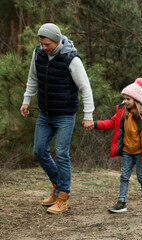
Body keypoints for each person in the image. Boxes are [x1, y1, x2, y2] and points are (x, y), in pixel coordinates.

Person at [19, 23, 95, 214]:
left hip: (65, 115)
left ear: (57, 40)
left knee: (61, 153)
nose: (44, 47)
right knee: (39, 151)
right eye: (42, 43)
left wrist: (88, 115)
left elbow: (85, 88)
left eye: (47, 44)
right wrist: (26, 101)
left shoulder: (71, 58)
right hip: (45, 113)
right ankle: (57, 185)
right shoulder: (38, 54)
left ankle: (63, 197)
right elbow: (32, 78)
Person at [92, 78, 142, 213]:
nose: (125, 101)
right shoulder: (122, 112)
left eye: (128, 99)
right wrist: (94, 124)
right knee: (124, 176)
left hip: (141, 152)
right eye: (124, 98)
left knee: (141, 177)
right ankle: (121, 202)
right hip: (127, 151)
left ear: (135, 99)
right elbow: (110, 123)